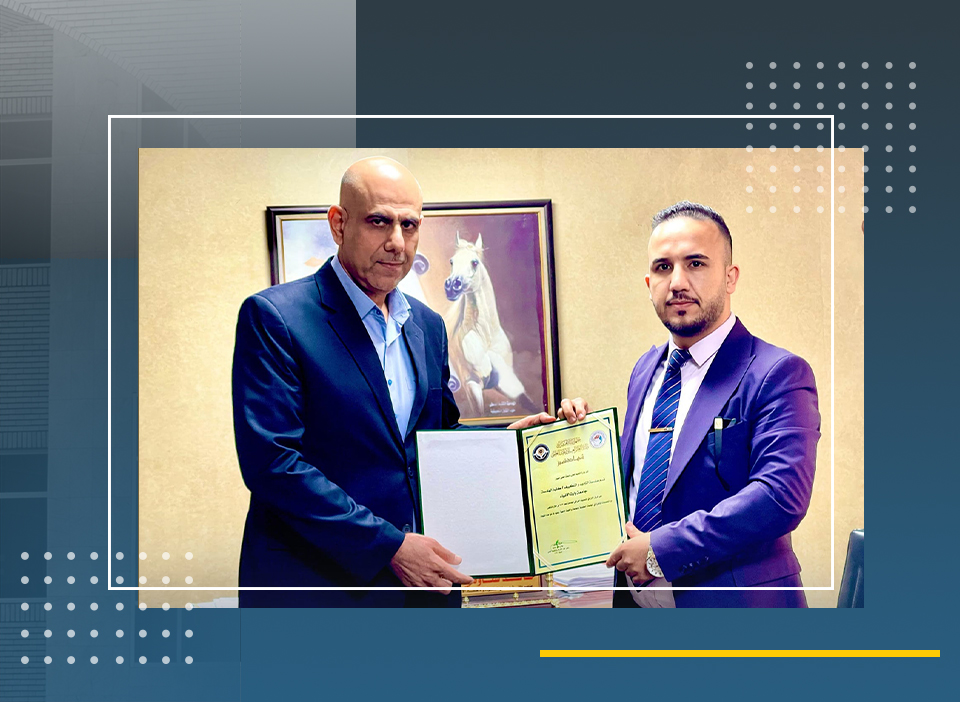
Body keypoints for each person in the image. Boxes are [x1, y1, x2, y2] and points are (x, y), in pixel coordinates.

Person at [232, 156, 583, 607]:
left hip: (421, 591)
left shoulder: (428, 325)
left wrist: (505, 444)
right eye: (379, 221)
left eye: (409, 225)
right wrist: (389, 547)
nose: (397, 242)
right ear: (338, 224)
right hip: (317, 588)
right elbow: (273, 465)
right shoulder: (275, 317)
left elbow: (434, 438)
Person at [606, 201, 820, 607]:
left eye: (696, 263)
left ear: (729, 276)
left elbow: (780, 496)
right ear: (649, 283)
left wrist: (660, 550)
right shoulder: (645, 369)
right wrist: (569, 441)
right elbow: (640, 479)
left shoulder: (779, 373)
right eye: (663, 267)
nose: (677, 282)